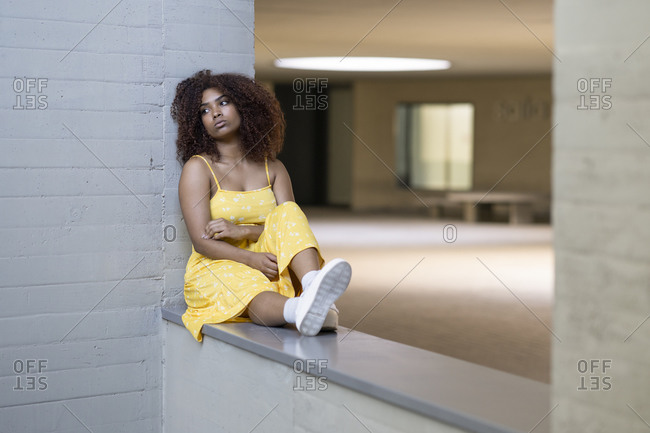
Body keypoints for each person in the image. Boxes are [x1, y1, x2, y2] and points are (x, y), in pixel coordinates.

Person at [171, 70, 351, 342]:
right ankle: (303, 308)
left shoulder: (274, 168)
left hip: (269, 257)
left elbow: (289, 228)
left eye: (223, 103)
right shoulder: (199, 168)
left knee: (289, 211)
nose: (216, 113)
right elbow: (202, 242)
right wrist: (251, 259)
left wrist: (241, 232)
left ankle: (313, 285)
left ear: (244, 106)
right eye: (204, 111)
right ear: (199, 123)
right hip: (219, 264)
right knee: (252, 288)